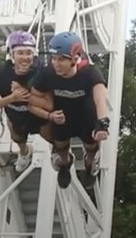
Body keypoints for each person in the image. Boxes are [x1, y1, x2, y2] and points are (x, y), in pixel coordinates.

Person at [28, 31, 110, 187]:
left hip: (86, 117)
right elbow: (33, 98)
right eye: (54, 59)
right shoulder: (47, 73)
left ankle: (90, 162)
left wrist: (102, 123)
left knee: (91, 145)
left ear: (75, 59)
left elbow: (100, 99)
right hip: (61, 117)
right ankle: (65, 164)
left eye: (61, 59)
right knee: (61, 146)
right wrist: (48, 114)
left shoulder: (90, 72)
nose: (56, 64)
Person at [0, 30, 50, 171]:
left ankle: (61, 152)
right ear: (12, 54)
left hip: (39, 116)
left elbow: (50, 102)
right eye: (20, 53)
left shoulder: (40, 71)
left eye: (29, 53)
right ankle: (24, 152)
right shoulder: (2, 73)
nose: (25, 57)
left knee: (52, 134)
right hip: (16, 117)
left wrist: (27, 97)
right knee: (17, 136)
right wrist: (12, 98)